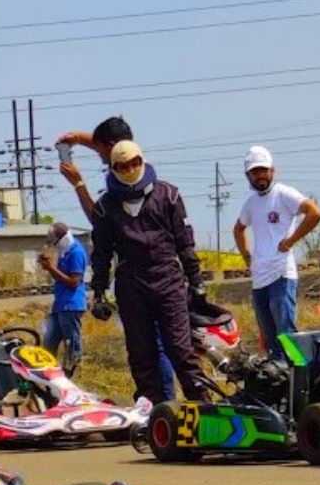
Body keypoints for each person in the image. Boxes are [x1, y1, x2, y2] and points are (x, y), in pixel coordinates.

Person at [56, 114, 177, 402]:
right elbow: (112, 144)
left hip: (142, 277)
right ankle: (154, 400)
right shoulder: (137, 169)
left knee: (152, 345)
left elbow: (98, 220)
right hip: (153, 275)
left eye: (100, 151)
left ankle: (163, 402)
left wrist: (78, 185)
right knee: (148, 344)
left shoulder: (127, 183)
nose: (100, 157)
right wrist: (80, 137)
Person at [90, 141, 207, 404]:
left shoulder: (169, 196)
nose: (129, 169)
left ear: (142, 161)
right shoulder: (104, 208)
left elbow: (184, 242)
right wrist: (98, 293)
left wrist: (196, 278)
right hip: (132, 284)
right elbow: (101, 254)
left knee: (180, 350)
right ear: (113, 168)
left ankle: (204, 407)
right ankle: (157, 413)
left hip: (168, 279)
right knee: (142, 355)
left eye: (134, 163)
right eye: (122, 166)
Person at [233, 145, 320, 352]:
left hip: (281, 274)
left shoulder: (283, 193)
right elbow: (238, 229)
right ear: (248, 175)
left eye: (264, 170)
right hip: (259, 279)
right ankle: (278, 379)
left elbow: (314, 213)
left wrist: (290, 241)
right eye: (255, 172)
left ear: (272, 171)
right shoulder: (251, 203)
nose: (260, 176)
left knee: (286, 335)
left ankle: (297, 381)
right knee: (269, 339)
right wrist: (248, 258)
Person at [39, 222, 88, 367]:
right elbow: (60, 277)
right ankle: (48, 372)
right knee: (49, 341)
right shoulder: (64, 253)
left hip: (71, 304)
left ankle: (73, 370)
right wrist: (49, 268)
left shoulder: (76, 252)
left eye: (54, 243)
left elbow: (74, 282)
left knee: (71, 342)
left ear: (62, 239)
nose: (54, 246)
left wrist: (51, 268)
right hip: (60, 304)